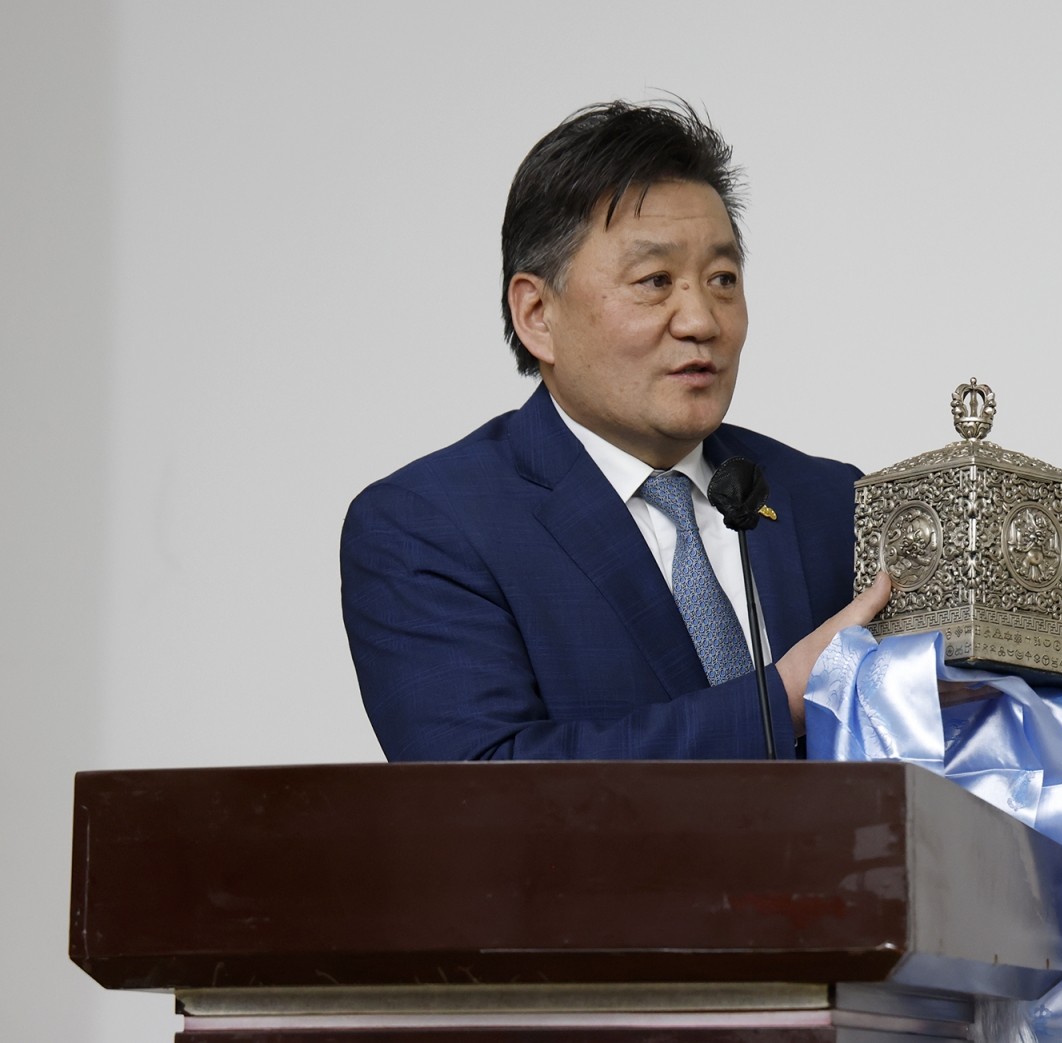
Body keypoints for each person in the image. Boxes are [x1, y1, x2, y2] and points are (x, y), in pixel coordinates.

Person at [340, 100, 890, 761]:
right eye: (655, 281)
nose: (701, 320)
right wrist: (786, 697)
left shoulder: (833, 502)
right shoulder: (429, 527)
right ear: (537, 314)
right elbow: (484, 783)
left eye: (722, 279)